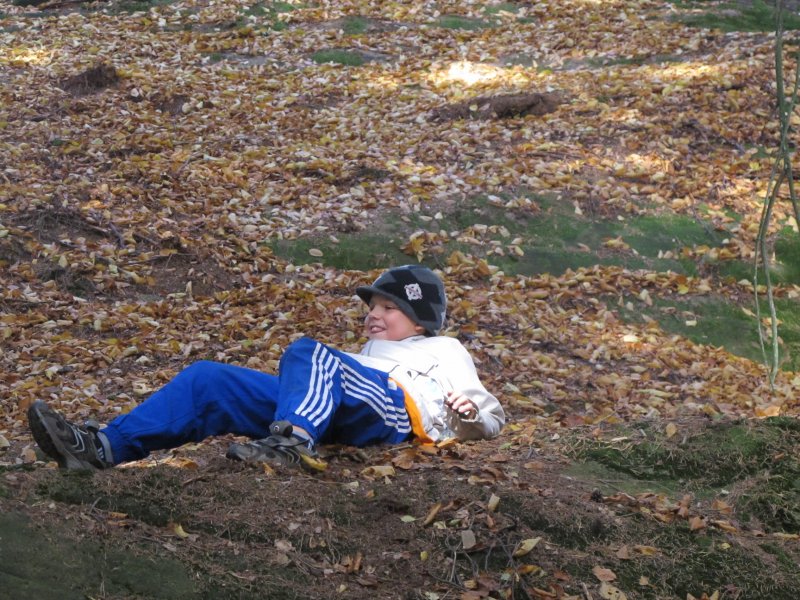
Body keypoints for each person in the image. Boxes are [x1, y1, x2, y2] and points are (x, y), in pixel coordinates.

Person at [27, 265, 505, 471]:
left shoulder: (442, 348)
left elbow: (490, 416)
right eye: (371, 307)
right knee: (209, 378)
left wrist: (469, 417)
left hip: (399, 412)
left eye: (389, 308)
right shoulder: (363, 355)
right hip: (343, 406)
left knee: (309, 352)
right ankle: (103, 447)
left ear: (420, 321)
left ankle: (292, 443)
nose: (373, 315)